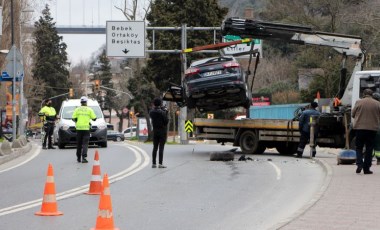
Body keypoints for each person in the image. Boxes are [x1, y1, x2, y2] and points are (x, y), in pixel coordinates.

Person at [352, 88, 380, 174]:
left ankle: (359, 164)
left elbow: (353, 114)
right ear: (372, 95)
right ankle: (366, 168)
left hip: (360, 128)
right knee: (369, 148)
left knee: (359, 147)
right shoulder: (378, 103)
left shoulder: (358, 102)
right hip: (372, 129)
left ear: (364, 94)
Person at [72, 96, 97, 163]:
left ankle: (78, 158)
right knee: (85, 143)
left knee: (79, 144)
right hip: (86, 129)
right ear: (86, 102)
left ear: (81, 102)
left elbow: (73, 118)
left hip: (78, 128)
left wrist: (78, 121)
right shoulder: (89, 109)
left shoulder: (77, 109)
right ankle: (84, 158)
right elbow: (94, 118)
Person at [149, 98, 169, 168]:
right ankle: (160, 164)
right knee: (161, 148)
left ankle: (153, 163)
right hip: (162, 131)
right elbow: (166, 121)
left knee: (155, 147)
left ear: (154, 104)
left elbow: (153, 115)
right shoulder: (162, 112)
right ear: (160, 104)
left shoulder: (151, 112)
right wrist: (166, 112)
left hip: (155, 131)